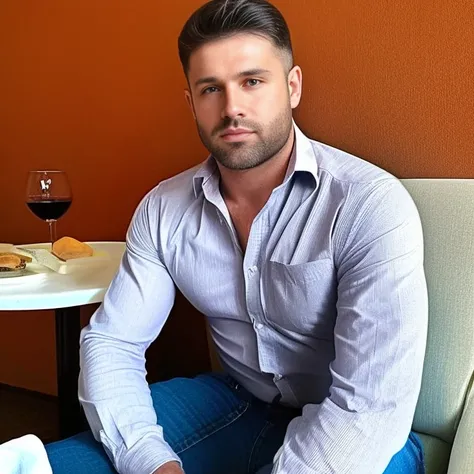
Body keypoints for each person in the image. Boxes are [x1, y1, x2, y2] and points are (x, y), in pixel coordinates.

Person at [46, 0, 428, 473]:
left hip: (355, 431)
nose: (232, 108)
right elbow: (113, 343)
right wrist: (150, 463)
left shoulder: (369, 205)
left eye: (252, 81)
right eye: (211, 89)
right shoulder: (163, 210)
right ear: (191, 102)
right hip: (236, 403)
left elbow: (370, 408)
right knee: (56, 465)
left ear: (292, 87)